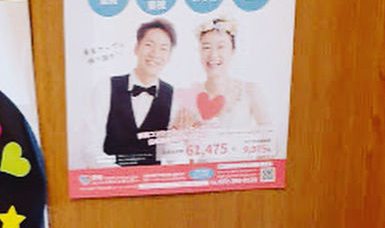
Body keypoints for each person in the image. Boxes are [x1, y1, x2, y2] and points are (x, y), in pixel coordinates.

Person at [76, 19, 176, 168]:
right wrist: (121, 176)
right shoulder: (106, 87)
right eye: (149, 45)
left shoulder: (174, 97)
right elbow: (90, 148)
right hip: (110, 179)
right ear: (136, 48)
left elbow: (173, 153)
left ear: (169, 57)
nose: (155, 53)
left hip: (152, 180)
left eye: (163, 48)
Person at [170, 17, 271, 130]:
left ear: (232, 50)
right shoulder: (190, 95)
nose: (213, 55)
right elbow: (174, 136)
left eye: (221, 47)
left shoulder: (250, 91)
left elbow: (269, 135)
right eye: (206, 47)